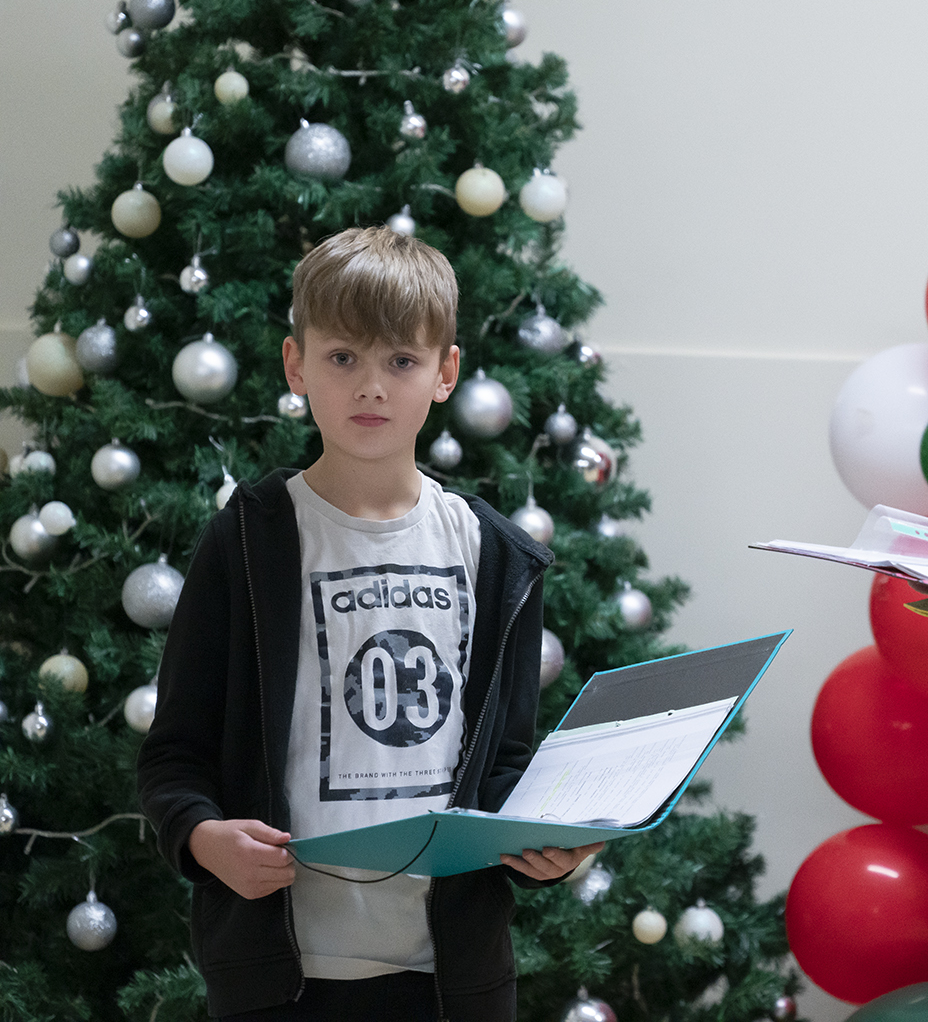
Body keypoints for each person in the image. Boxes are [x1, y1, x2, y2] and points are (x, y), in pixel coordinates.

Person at [137, 227, 603, 1021]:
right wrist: (204, 838)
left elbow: (501, 769)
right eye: (343, 357)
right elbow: (175, 756)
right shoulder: (248, 539)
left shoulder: (495, 556)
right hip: (279, 978)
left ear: (445, 372)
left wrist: (546, 846)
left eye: (401, 361)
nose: (372, 388)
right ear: (297, 365)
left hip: (451, 981)